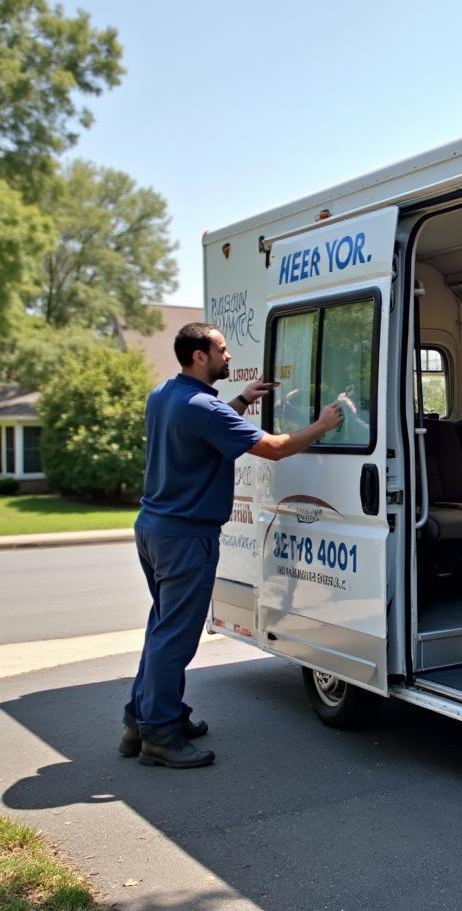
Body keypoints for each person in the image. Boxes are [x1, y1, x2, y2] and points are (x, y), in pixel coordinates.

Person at [120, 322, 343, 769]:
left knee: (162, 630)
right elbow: (276, 448)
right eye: (221, 350)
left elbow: (205, 425)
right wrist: (323, 424)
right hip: (186, 537)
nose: (228, 356)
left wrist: (242, 401)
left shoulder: (165, 393)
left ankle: (139, 720)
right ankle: (159, 736)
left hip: (154, 529)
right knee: (175, 638)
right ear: (200, 357)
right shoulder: (204, 407)